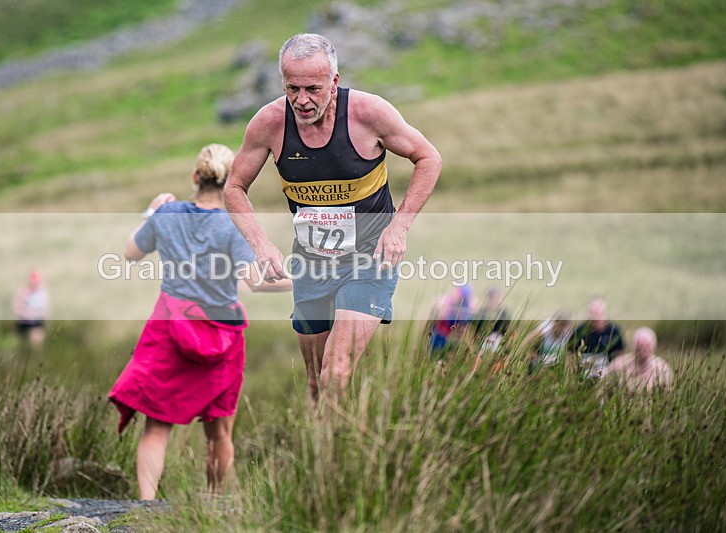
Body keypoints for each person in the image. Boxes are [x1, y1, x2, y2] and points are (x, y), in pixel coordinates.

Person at [224, 33, 442, 399]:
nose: (302, 100)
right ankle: (324, 452)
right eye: (292, 88)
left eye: (313, 88)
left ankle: (342, 457)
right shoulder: (269, 124)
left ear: (334, 82)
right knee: (315, 384)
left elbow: (429, 158)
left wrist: (399, 225)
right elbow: (234, 188)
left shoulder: (369, 114)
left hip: (371, 258)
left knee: (335, 374)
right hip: (313, 263)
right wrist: (261, 245)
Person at [108, 144, 291, 500]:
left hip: (169, 329)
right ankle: (214, 507)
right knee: (219, 434)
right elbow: (255, 282)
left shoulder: (167, 214)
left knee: (156, 429)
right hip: (221, 336)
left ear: (196, 177)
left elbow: (130, 253)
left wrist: (151, 210)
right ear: (234, 182)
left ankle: (146, 505)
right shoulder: (234, 226)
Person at [602, 327, 672, 394]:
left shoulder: (663, 370)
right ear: (633, 347)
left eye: (648, 347)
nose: (644, 352)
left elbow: (667, 396)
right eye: (640, 347)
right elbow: (603, 391)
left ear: (654, 347)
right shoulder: (617, 366)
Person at [570, 297, 625, 380]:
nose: (596, 318)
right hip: (583, 376)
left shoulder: (614, 331)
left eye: (599, 313)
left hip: (607, 376)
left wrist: (613, 369)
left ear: (605, 313)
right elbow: (570, 355)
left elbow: (620, 356)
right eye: (593, 314)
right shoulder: (580, 331)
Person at [428, 284, 477, 358]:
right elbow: (441, 315)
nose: (456, 294)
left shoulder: (467, 307)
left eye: (459, 293)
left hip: (454, 340)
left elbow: (466, 324)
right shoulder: (446, 301)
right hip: (439, 336)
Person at [521, 309, 574, 374]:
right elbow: (526, 342)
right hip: (537, 363)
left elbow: (570, 353)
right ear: (555, 323)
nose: (562, 331)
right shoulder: (544, 329)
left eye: (565, 327)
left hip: (554, 365)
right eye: (561, 326)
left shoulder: (569, 331)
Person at [12, 270, 51, 349]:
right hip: (24, 321)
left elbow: (48, 309)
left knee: (36, 337)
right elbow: (15, 306)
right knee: (21, 343)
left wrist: (40, 315)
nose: (34, 284)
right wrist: (26, 313)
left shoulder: (43, 292)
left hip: (37, 322)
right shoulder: (23, 291)